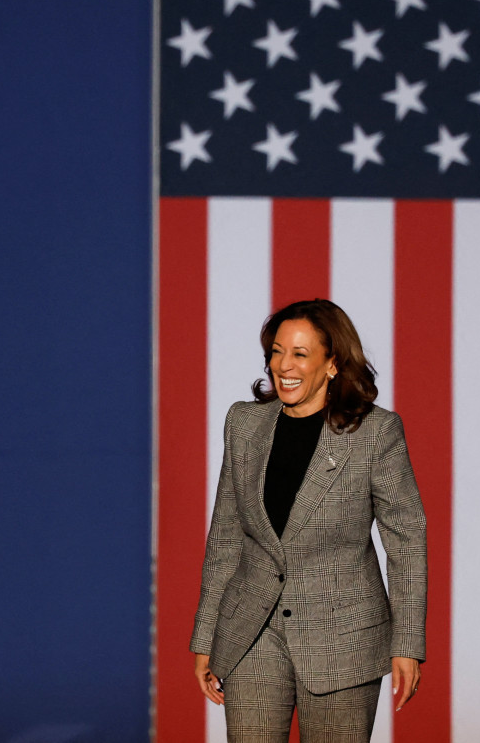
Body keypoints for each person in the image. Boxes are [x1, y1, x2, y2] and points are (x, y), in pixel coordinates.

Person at [190, 299, 427, 742]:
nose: (284, 365)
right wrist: (206, 634)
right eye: (277, 352)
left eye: (300, 354)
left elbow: (407, 541)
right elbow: (225, 536)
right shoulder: (243, 423)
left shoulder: (375, 434)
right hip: (250, 634)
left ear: (333, 363)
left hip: (344, 638)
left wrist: (408, 644)